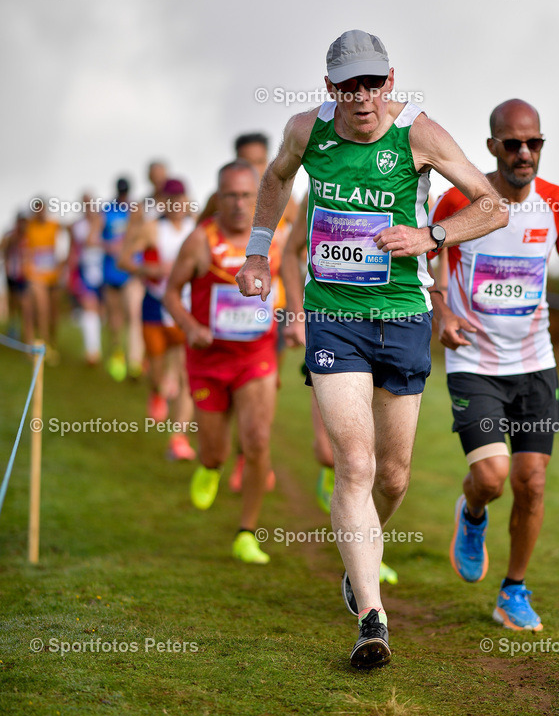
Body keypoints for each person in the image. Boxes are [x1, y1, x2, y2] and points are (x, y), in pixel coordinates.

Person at [236, 29, 507, 668]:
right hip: (334, 318)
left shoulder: (419, 134)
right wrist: (256, 251)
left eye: (372, 83)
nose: (362, 97)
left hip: (404, 317)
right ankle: (371, 617)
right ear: (331, 87)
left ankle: (361, 553)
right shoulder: (308, 130)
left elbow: (492, 207)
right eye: (348, 85)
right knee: (354, 465)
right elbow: (275, 180)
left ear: (390, 81)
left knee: (393, 475)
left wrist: (432, 234)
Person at [429, 98, 559, 632]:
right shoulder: (458, 200)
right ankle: (473, 513)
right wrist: (442, 315)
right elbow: (428, 264)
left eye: (534, 143)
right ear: (491, 147)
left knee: (532, 482)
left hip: (534, 363)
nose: (524, 153)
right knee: (492, 476)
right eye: (512, 143)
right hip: (474, 362)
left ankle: (513, 591)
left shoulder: (557, 204)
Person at [164, 160, 281, 563]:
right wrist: (190, 326)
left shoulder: (271, 239)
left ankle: (246, 532)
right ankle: (210, 465)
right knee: (214, 450)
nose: (238, 203)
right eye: (230, 194)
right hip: (209, 359)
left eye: (247, 194)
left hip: (256, 356)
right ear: (218, 196)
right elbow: (170, 294)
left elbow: (288, 280)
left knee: (257, 441)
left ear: (257, 196)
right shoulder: (200, 241)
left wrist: (296, 318)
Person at [280, 197, 399, 587]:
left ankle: (364, 553)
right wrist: (298, 316)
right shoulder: (319, 191)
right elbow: (289, 254)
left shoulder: (412, 189)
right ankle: (340, 488)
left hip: (391, 332)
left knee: (387, 473)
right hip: (330, 327)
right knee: (338, 458)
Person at [118, 178, 196, 460]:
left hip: (187, 309)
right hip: (155, 305)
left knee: (187, 375)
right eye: (171, 200)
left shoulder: (195, 228)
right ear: (163, 202)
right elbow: (124, 259)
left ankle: (178, 439)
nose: (177, 206)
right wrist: (149, 268)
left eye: (181, 200)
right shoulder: (152, 228)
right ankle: (156, 391)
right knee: (158, 371)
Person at [101, 178, 143, 381]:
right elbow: (93, 238)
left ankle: (135, 361)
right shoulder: (107, 210)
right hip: (111, 273)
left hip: (132, 273)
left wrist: (132, 248)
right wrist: (108, 246)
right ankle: (118, 352)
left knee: (134, 316)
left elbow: (144, 237)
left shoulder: (137, 210)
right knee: (115, 320)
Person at [24, 198, 66, 363]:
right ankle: (43, 346)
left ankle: (51, 341)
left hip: (54, 277)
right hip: (36, 277)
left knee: (53, 314)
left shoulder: (55, 226)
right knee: (41, 309)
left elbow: (63, 248)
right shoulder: (29, 228)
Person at [68, 195, 105, 364]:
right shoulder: (78, 226)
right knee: (89, 308)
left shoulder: (105, 222)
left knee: (103, 312)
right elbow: (76, 249)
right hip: (85, 272)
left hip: (105, 272)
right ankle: (92, 351)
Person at [1, 212, 30, 342]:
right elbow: (2, 251)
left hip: (24, 276)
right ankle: (13, 326)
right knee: (12, 301)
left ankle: (25, 330)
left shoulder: (29, 237)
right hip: (11, 274)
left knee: (24, 303)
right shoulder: (9, 236)